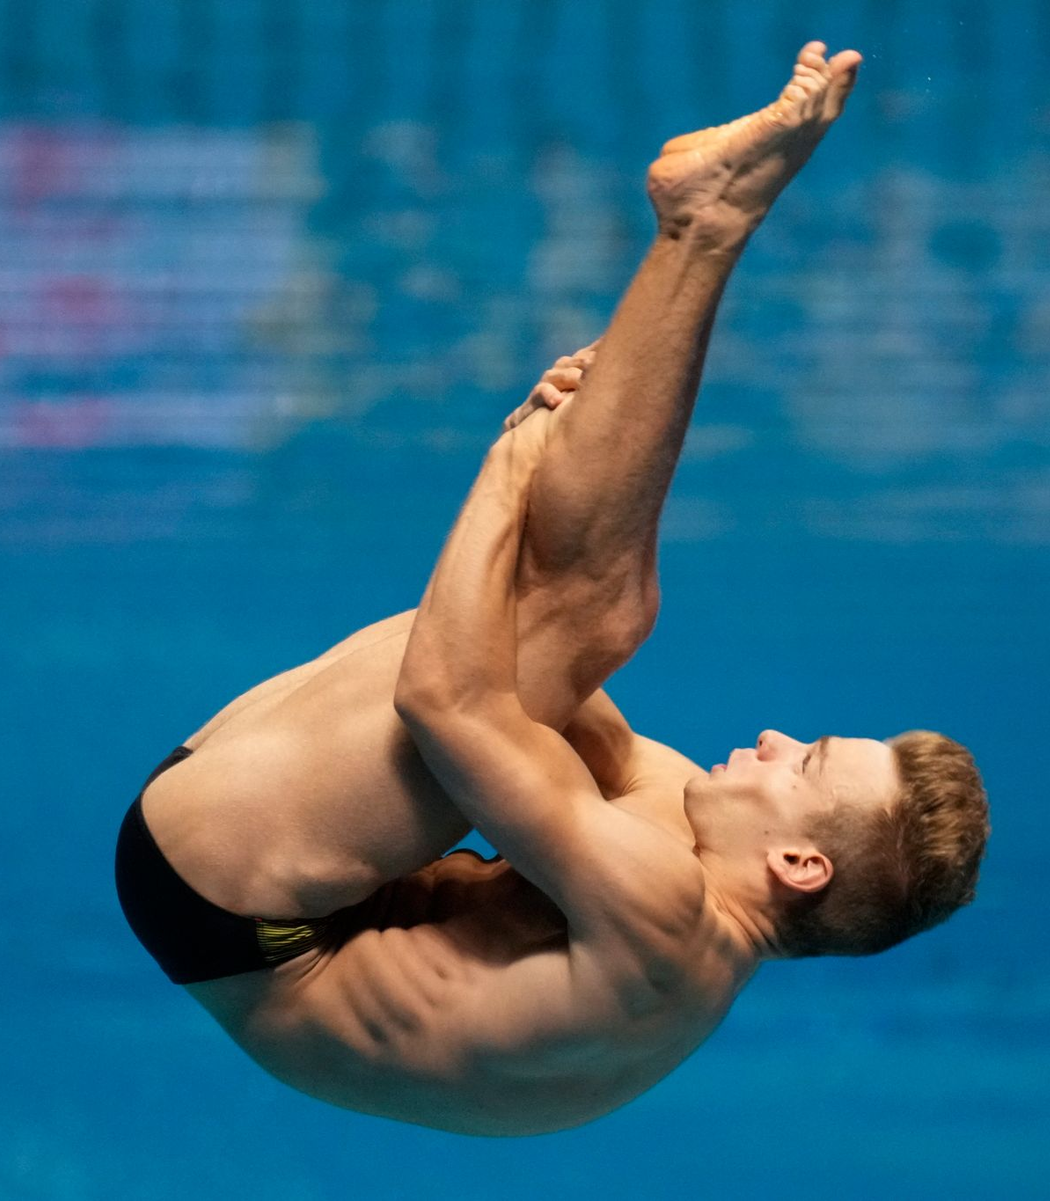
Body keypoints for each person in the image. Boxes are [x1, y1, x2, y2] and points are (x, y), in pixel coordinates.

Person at [115, 43, 989, 1136]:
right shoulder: (689, 858)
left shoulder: (667, 922)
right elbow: (556, 678)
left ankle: (705, 226)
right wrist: (569, 461)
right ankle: (702, 226)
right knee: (592, 620)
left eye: (803, 761)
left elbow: (446, 702)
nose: (771, 735)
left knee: (576, 619)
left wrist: (511, 464)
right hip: (254, 874)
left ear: (801, 863)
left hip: (239, 897)